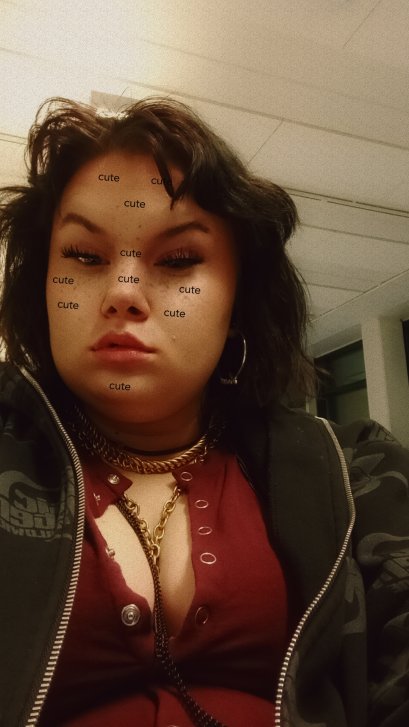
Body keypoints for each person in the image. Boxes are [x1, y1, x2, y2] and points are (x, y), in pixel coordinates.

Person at [0, 96, 408, 727]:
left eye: (177, 260)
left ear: (238, 300)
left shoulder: (355, 471)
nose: (123, 292)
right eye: (84, 256)